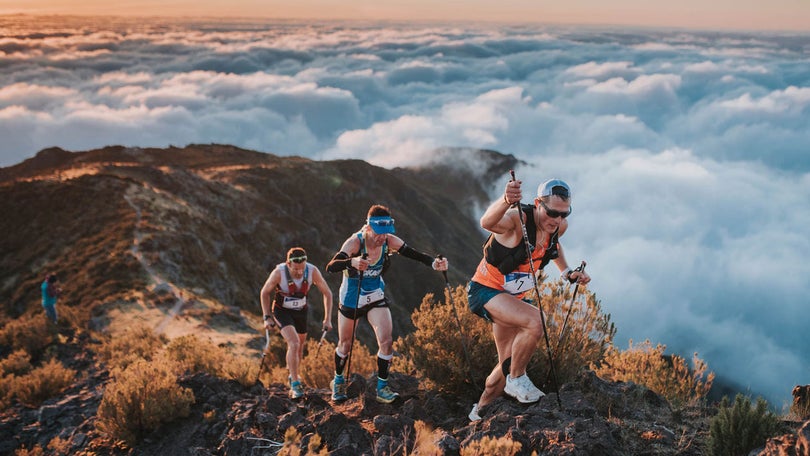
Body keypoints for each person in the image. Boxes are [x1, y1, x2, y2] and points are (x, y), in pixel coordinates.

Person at [466, 177, 591, 421]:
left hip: (512, 298)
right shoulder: (518, 219)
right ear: (538, 204)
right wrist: (505, 200)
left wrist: (567, 273)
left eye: (564, 214)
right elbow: (487, 222)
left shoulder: (557, 227)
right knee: (536, 321)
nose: (557, 220)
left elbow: (553, 248)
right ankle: (518, 378)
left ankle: (478, 413)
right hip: (485, 290)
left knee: (505, 363)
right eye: (552, 212)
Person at [325, 204, 449, 404]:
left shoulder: (389, 241)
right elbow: (331, 267)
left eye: (385, 233)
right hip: (351, 298)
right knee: (345, 344)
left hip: (375, 295)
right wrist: (352, 262)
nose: (382, 237)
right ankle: (338, 380)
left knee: (386, 341)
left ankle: (382, 387)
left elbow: (412, 253)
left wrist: (434, 263)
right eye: (378, 233)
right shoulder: (355, 243)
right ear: (368, 228)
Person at [260, 247, 333, 399]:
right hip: (282, 311)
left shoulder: (312, 271)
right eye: (296, 269)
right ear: (288, 264)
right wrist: (267, 316)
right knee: (293, 343)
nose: (300, 272)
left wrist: (327, 319)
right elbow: (265, 292)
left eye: (302, 269)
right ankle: (295, 384)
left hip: (301, 312)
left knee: (299, 348)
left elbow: (327, 293)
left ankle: (293, 374)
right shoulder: (279, 272)